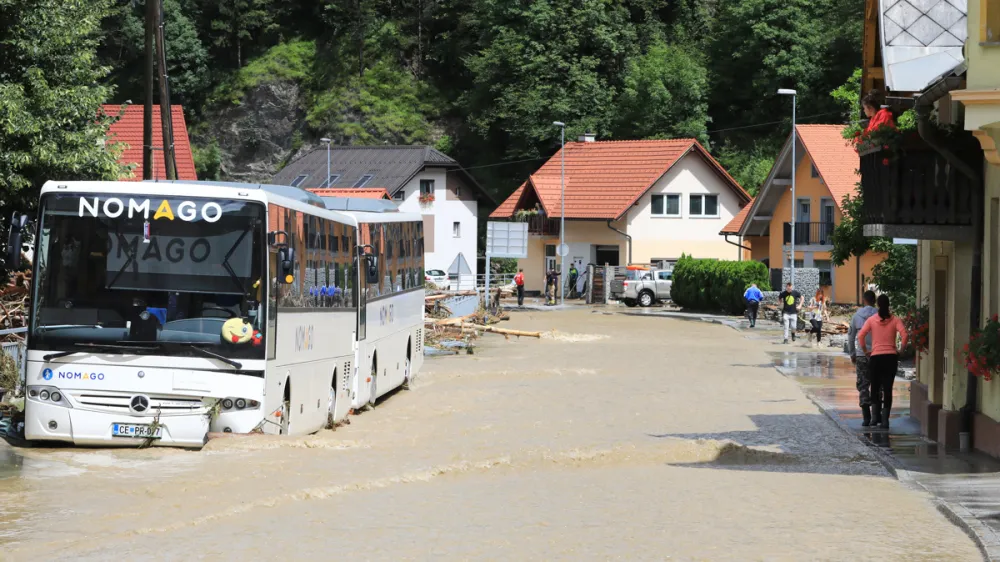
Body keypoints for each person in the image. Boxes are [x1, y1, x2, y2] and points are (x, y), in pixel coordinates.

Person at [858, 294, 908, 429]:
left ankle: (874, 419)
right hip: (891, 357)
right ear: (888, 304)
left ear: (878, 305)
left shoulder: (872, 320)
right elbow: (905, 334)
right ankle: (885, 420)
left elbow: (860, 335)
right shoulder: (895, 320)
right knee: (887, 389)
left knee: (874, 388)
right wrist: (901, 350)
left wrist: (865, 350)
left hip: (876, 357)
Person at [848, 290, 878, 427]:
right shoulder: (880, 315)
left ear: (864, 300)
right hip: (878, 354)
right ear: (875, 300)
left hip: (861, 354)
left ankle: (866, 417)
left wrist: (852, 353)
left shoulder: (856, 316)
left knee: (863, 385)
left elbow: (851, 336)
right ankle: (876, 417)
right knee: (878, 385)